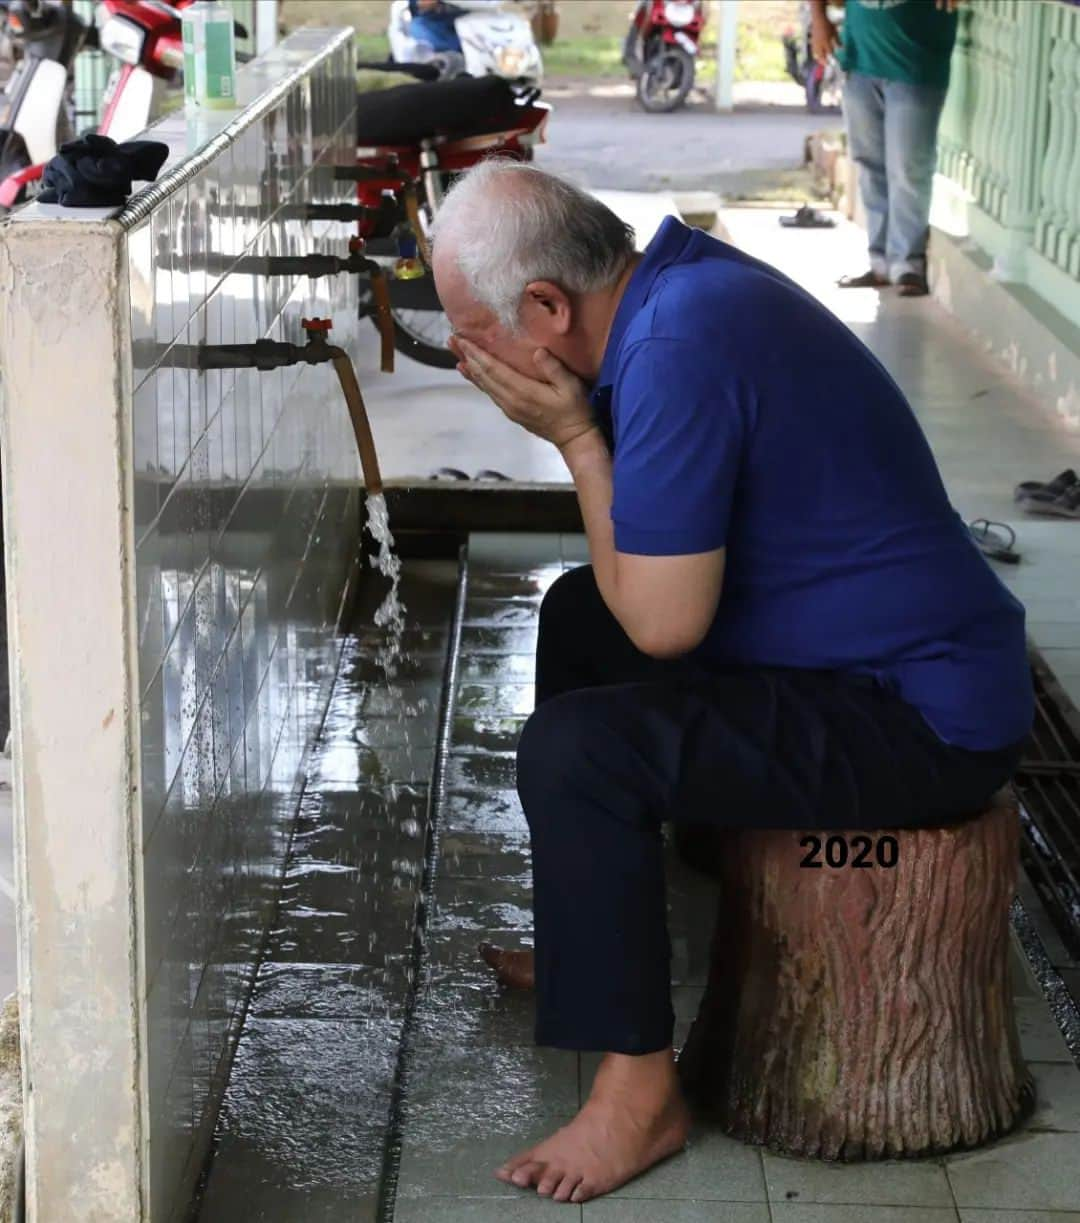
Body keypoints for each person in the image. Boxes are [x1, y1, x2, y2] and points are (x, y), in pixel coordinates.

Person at [429, 161, 1033, 1205]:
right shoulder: (675, 293)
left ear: (545, 306)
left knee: (580, 750)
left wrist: (576, 438)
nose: (464, 353)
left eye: (471, 328)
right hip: (842, 662)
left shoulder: (673, 344)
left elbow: (665, 626)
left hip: (923, 718)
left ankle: (638, 1090)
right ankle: (595, 956)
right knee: (580, 610)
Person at [812, 0, 961, 296]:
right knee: (869, 164)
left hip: (916, 62)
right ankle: (879, 261)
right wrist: (818, 19)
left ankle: (908, 264)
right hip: (860, 59)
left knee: (908, 167)